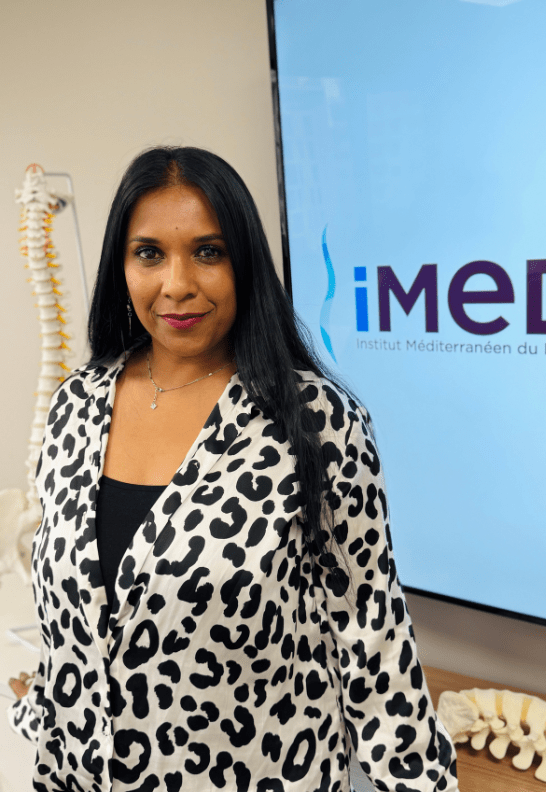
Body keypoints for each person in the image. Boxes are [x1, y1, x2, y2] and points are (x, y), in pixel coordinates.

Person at [8, 146, 458, 792]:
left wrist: (419, 780)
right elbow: (76, 625)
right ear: (121, 265)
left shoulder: (316, 421)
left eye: (208, 252)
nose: (177, 284)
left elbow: (373, 635)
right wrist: (40, 710)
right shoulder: (75, 405)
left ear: (244, 261)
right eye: (149, 253)